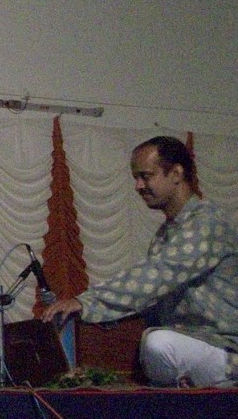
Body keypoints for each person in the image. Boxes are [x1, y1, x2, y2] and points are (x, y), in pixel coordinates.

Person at [42, 136, 238, 388]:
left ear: (176, 173)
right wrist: (101, 320)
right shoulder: (167, 232)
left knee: (158, 344)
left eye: (146, 176)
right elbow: (152, 298)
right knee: (151, 343)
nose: (138, 186)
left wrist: (86, 302)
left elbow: (156, 277)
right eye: (136, 177)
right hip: (191, 343)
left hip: (223, 347)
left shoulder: (207, 222)